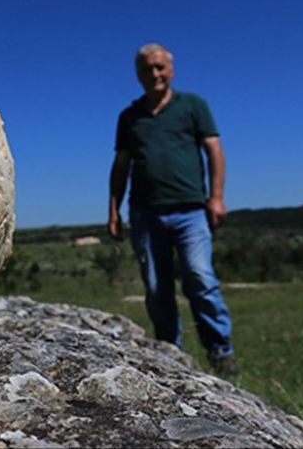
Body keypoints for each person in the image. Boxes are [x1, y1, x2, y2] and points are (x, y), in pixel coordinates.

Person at [108, 44, 238, 375]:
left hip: (191, 210)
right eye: (148, 69)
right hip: (146, 212)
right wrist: (113, 210)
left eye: (160, 67)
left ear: (171, 69)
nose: (155, 74)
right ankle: (170, 353)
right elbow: (121, 166)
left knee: (200, 277)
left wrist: (217, 197)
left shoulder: (192, 106)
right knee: (156, 286)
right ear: (138, 74)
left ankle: (220, 350)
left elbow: (215, 151)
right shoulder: (130, 117)